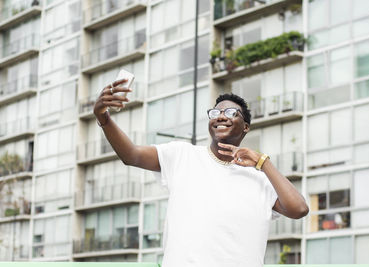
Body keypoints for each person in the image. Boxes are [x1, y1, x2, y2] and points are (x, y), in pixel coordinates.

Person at [93, 79, 309, 267]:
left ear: (246, 127)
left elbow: (299, 209)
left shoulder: (260, 179)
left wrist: (263, 162)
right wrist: (102, 116)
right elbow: (131, 155)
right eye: (216, 112)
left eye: (232, 113)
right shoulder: (182, 155)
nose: (221, 116)